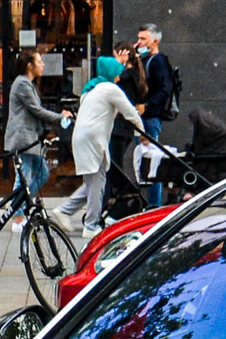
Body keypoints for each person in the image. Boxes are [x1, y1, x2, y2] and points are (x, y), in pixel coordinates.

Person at [62, 57, 143, 234]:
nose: (119, 77)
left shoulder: (92, 89)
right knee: (98, 183)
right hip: (93, 141)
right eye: (117, 73)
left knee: (93, 182)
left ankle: (64, 210)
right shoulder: (110, 89)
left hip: (81, 139)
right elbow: (130, 113)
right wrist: (141, 134)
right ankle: (90, 226)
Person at [5, 59, 66, 205]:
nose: (43, 64)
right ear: (29, 65)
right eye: (39, 61)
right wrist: (61, 118)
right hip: (23, 139)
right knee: (23, 178)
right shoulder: (22, 83)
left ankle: (20, 204)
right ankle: (18, 215)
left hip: (31, 140)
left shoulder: (27, 84)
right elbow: (37, 111)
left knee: (42, 173)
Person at [137, 25, 177, 207]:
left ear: (155, 41)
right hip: (145, 116)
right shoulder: (145, 60)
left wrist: (147, 105)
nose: (139, 43)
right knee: (147, 160)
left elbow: (164, 89)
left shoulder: (158, 61)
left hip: (150, 117)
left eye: (143, 39)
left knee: (151, 161)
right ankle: (152, 203)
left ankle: (154, 204)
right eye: (139, 38)